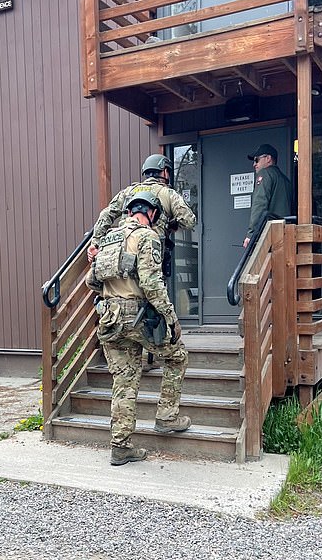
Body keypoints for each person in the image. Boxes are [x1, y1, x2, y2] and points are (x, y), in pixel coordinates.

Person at [86, 192, 190, 466]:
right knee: (177, 357)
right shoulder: (147, 237)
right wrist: (171, 319)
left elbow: (91, 282)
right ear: (153, 213)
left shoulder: (107, 240)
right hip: (138, 316)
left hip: (108, 318)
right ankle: (167, 417)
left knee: (124, 381)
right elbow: (152, 284)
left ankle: (120, 446)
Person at [86, 153, 196, 264]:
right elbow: (189, 222)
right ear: (165, 172)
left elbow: (106, 214)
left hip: (123, 254)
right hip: (150, 255)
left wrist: (95, 243)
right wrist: (171, 224)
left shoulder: (128, 191)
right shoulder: (169, 194)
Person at [243, 144, 293, 248]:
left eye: (257, 160)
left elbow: (259, 204)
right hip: (286, 236)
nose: (254, 164)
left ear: (268, 158)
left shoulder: (264, 174)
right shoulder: (286, 181)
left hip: (269, 236)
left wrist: (251, 234)